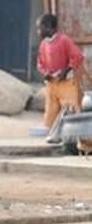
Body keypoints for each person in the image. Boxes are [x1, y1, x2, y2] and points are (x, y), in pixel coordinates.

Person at [36, 14, 85, 144]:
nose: (38, 32)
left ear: (49, 28)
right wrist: (45, 73)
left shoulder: (64, 40)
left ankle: (77, 139)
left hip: (67, 83)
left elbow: (77, 56)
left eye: (40, 28)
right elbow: (40, 63)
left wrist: (65, 71)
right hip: (51, 83)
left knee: (71, 109)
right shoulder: (43, 45)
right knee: (51, 110)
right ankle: (54, 135)